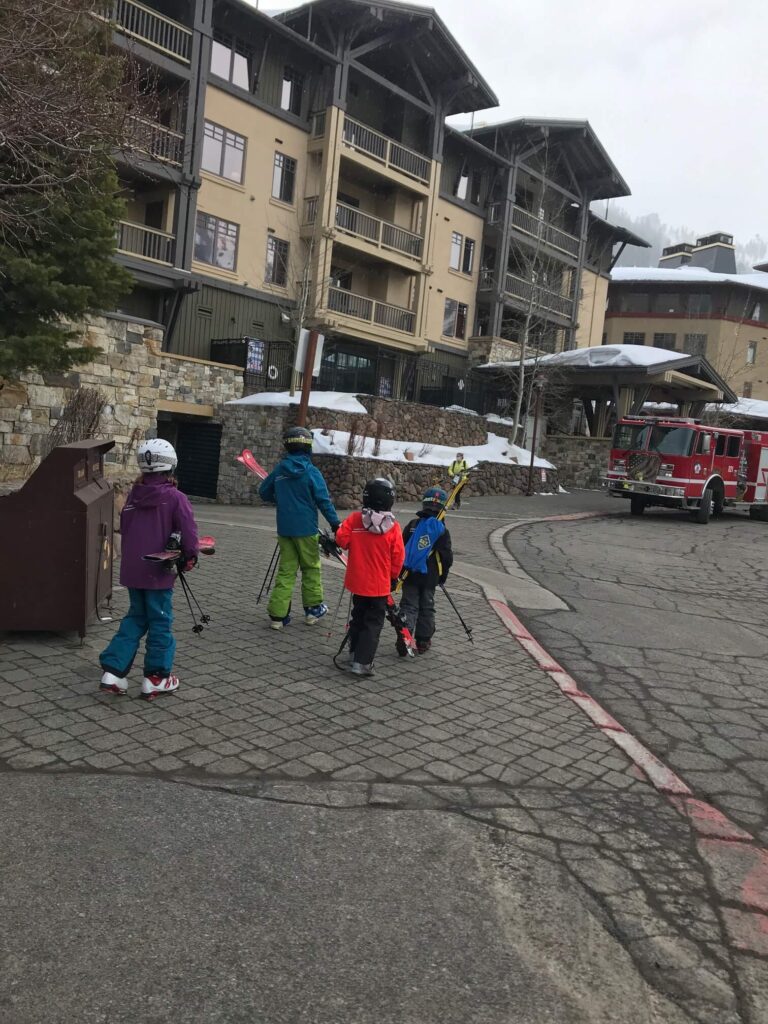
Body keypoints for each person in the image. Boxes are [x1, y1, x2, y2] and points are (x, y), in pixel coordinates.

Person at [99, 439, 199, 701]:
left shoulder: (133, 496)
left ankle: (113, 672)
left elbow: (127, 528)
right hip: (159, 571)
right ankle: (157, 677)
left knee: (136, 617)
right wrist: (190, 557)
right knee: (160, 621)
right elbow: (189, 534)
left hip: (133, 571)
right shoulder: (176, 498)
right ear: (171, 466)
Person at [259, 426, 341, 629]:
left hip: (285, 530)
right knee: (311, 568)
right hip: (307, 529)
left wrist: (279, 497)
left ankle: (278, 616)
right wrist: (336, 524)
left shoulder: (280, 470)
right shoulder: (312, 472)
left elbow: (264, 492)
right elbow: (323, 501)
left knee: (286, 571)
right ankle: (313, 610)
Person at [335, 478, 405, 676]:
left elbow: (341, 540)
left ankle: (354, 653)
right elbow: (398, 557)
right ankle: (362, 663)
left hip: (357, 582)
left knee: (357, 617)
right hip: (379, 586)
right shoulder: (393, 526)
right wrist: (393, 577)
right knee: (372, 623)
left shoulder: (355, 519)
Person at [398, 487, 454, 656]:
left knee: (409, 605)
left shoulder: (413, 525)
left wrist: (398, 572)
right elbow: (446, 557)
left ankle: (404, 636)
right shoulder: (442, 530)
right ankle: (423, 641)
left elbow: (400, 548)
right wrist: (442, 577)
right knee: (427, 608)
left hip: (410, 575)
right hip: (430, 577)